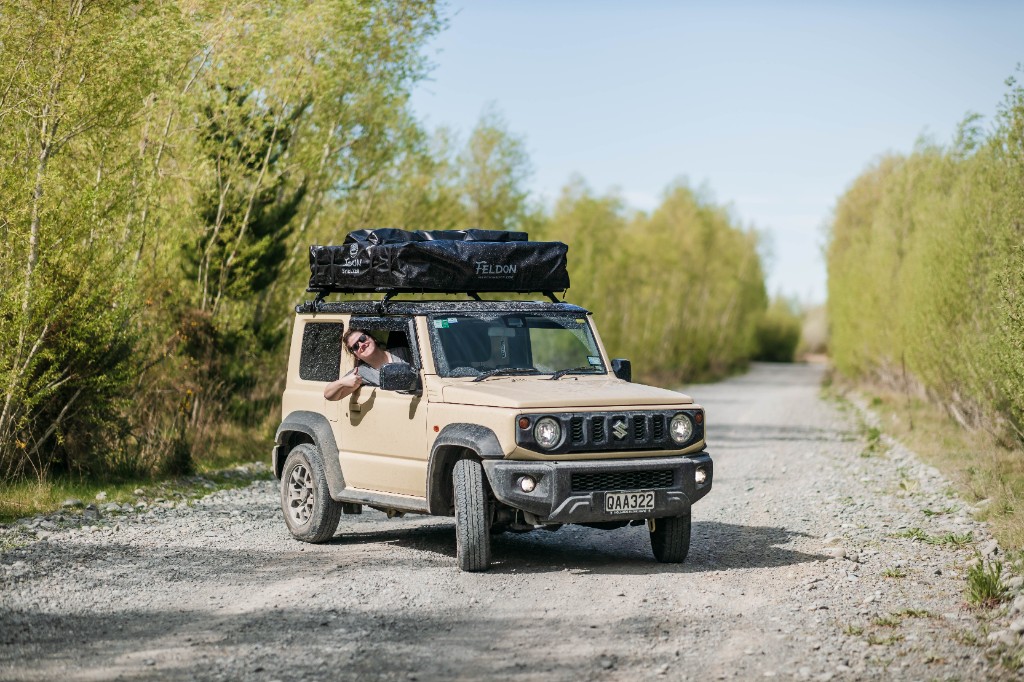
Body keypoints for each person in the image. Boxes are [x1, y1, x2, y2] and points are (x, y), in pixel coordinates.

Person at [324, 329, 408, 401]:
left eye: (362, 338)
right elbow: (329, 395)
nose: (361, 345)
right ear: (356, 356)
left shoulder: (403, 353)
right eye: (356, 346)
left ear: (373, 338)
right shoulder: (361, 373)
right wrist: (342, 382)